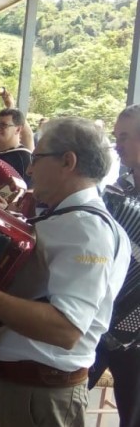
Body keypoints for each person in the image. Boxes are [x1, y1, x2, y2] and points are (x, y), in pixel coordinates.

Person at [0, 117, 130, 427]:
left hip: (40, 392)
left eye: (37, 159)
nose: (30, 169)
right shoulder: (64, 220)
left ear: (68, 161)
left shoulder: (85, 229)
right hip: (24, 386)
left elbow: (65, 330)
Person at [90, 106, 140, 427]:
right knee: (64, 395)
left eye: (123, 137)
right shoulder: (120, 187)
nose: (116, 144)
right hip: (99, 317)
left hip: (136, 333)